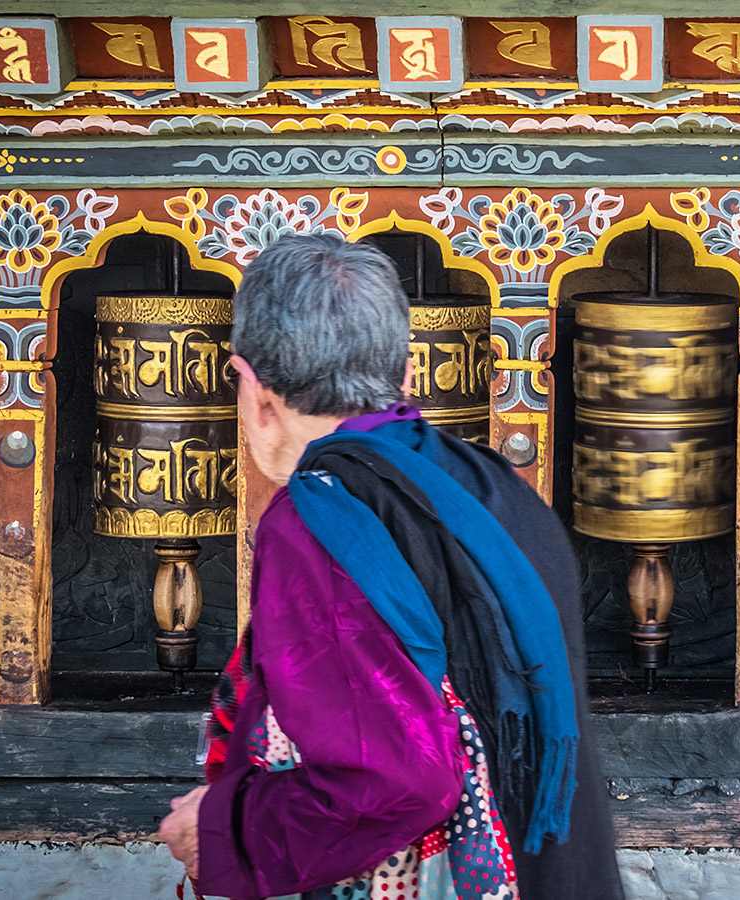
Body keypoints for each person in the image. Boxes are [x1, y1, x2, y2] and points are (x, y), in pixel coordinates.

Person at [157, 233, 624, 900]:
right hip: (553, 869)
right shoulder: (486, 487)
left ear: (253, 388)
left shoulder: (324, 524)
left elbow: (391, 780)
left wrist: (223, 830)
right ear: (406, 375)